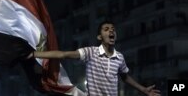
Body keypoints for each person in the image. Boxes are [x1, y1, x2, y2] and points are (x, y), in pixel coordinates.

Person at [28, 20, 161, 96]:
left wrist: (143, 89)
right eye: (106, 29)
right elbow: (64, 54)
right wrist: (35, 54)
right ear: (99, 37)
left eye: (113, 29)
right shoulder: (91, 52)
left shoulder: (119, 57)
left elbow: (125, 77)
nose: (111, 31)